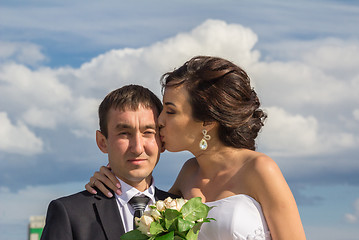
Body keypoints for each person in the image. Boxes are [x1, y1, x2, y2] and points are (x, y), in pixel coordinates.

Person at [86, 56, 307, 240]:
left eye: (170, 111)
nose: (159, 120)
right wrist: (109, 180)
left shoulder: (260, 169)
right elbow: (143, 207)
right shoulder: (188, 173)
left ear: (207, 121)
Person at [41, 85, 178, 240]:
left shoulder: (182, 210)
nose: (138, 148)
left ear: (162, 139)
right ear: (102, 142)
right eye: (124, 133)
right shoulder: (70, 214)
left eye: (148, 132)